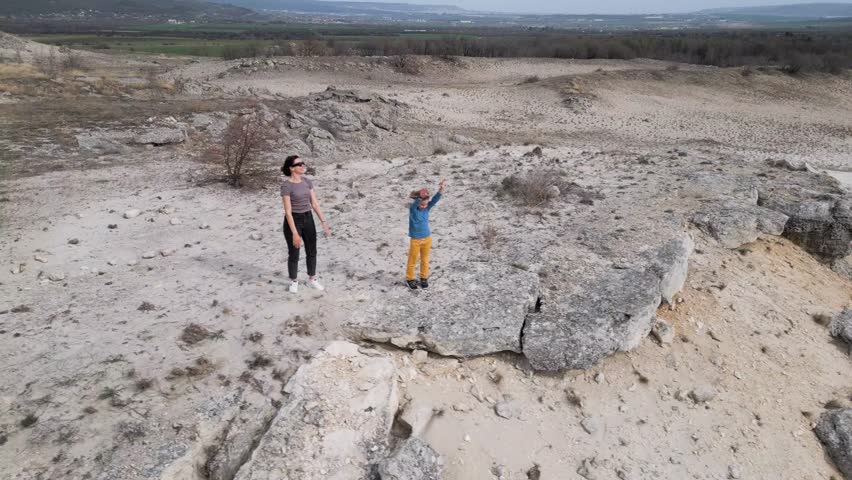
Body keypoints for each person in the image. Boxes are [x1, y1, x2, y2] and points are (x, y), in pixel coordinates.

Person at [280, 155, 331, 293]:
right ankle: (293, 281)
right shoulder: (286, 186)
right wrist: (295, 233)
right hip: (293, 220)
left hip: (308, 218)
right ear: (291, 168)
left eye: (303, 163)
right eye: (299, 164)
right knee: (294, 253)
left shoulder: (307, 182)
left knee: (312, 251)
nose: (303, 166)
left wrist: (323, 221)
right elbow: (288, 212)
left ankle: (312, 278)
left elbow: (314, 203)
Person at [406, 179, 445, 290]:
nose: (424, 206)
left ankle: (424, 277)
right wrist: (420, 198)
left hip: (427, 239)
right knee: (412, 260)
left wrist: (441, 189)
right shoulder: (413, 210)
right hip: (415, 240)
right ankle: (410, 278)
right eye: (422, 204)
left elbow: (435, 200)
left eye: (425, 204)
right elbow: (416, 204)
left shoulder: (427, 209)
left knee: (425, 259)